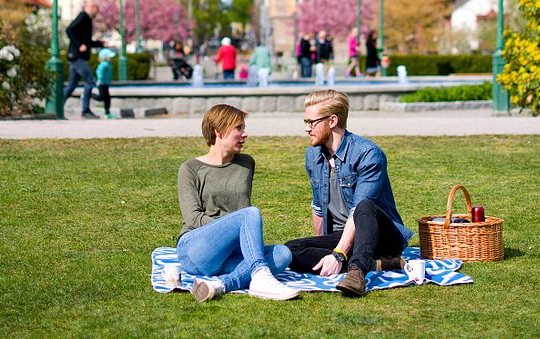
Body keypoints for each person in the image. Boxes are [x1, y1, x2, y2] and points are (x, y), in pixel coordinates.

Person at [285, 90, 414, 297]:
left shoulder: (368, 154)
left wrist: (337, 255)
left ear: (332, 121)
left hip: (380, 236)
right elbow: (318, 207)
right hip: (342, 237)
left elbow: (358, 209)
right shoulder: (312, 156)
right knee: (291, 249)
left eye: (312, 122)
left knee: (364, 206)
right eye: (305, 122)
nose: (307, 129)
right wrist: (322, 245)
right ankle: (377, 265)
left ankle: (356, 273)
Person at [177, 104, 300, 302]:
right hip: (196, 250)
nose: (245, 134)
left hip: (232, 253)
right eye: (239, 128)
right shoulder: (190, 168)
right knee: (249, 214)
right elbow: (192, 218)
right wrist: (233, 227)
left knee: (283, 254)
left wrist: (236, 232)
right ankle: (260, 275)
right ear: (219, 131)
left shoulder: (246, 164)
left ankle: (220, 285)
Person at [64, 1, 105, 119]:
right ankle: (85, 110)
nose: (97, 12)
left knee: (72, 85)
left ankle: (58, 108)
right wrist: (79, 45)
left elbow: (86, 43)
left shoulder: (87, 19)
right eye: (96, 9)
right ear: (92, 7)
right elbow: (69, 30)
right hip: (77, 57)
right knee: (90, 81)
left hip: (76, 56)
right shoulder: (84, 17)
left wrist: (100, 44)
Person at [91, 48, 117, 119]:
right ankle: (88, 95)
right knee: (101, 97)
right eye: (109, 56)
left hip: (106, 84)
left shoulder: (108, 64)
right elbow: (99, 72)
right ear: (105, 57)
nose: (111, 58)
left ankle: (107, 113)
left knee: (107, 98)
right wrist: (100, 79)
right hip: (102, 84)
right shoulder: (104, 64)